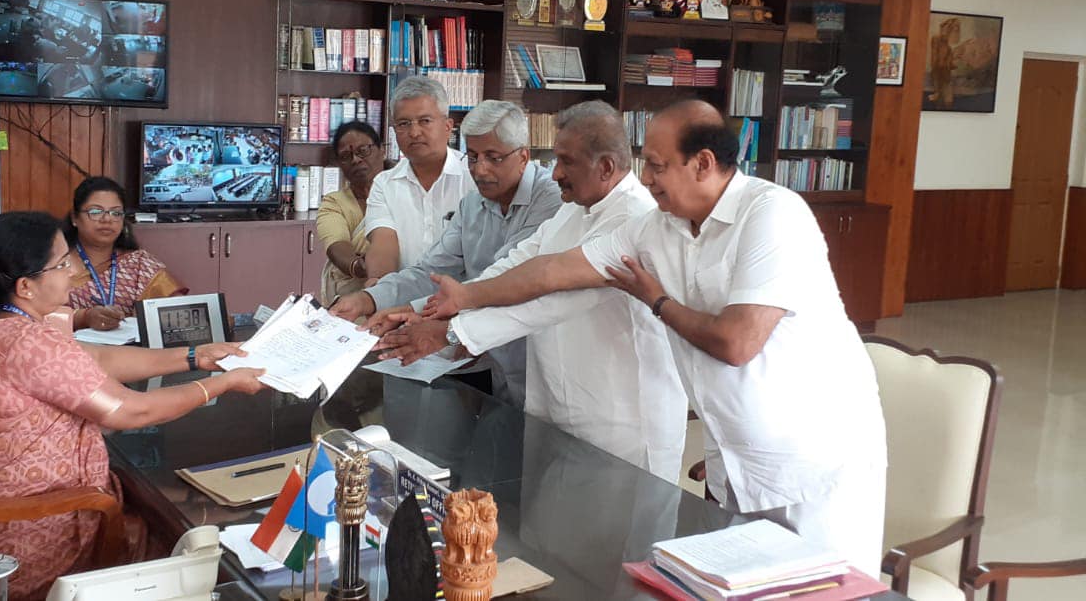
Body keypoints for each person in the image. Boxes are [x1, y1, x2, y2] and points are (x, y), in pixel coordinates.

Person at [420, 100, 887, 576]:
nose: (645, 179)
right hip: (735, 454)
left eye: (658, 166)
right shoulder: (657, 226)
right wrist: (466, 296)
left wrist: (658, 300)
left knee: (824, 587)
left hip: (814, 461)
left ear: (702, 163)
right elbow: (553, 270)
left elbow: (736, 343)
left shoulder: (773, 214)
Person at [0, 212, 265, 600]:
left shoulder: (5, 322)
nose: (71, 271)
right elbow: (131, 411)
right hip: (15, 535)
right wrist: (222, 384)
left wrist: (194, 356)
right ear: (25, 286)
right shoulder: (25, 343)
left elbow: (99, 359)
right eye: (61, 263)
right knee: (181, 535)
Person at [375, 101, 687, 480]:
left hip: (620, 424)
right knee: (546, 532)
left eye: (566, 162)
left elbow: (553, 301)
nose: (555, 174)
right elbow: (521, 262)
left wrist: (453, 330)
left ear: (604, 166)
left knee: (608, 535)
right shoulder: (577, 208)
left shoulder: (635, 219)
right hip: (556, 408)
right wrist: (447, 305)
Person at [330, 100, 565, 404]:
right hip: (494, 362)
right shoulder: (473, 204)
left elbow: (504, 276)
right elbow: (432, 272)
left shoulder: (551, 200)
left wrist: (411, 311)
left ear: (523, 156)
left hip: (544, 365)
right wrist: (368, 299)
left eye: (493, 158)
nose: (480, 169)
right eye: (473, 157)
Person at [362, 76, 477, 279]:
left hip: (465, 301)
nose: (414, 132)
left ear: (448, 126)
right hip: (402, 299)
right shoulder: (385, 184)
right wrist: (378, 290)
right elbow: (383, 246)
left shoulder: (474, 177)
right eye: (403, 124)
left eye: (425, 121)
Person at [64, 176, 187, 331]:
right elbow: (37, 317)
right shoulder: (54, 265)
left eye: (116, 213)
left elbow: (179, 310)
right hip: (69, 350)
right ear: (74, 218)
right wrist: (84, 317)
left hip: (130, 351)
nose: (107, 219)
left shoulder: (140, 264)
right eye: (95, 211)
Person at [316, 121, 386, 304]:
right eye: (346, 156)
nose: (355, 159)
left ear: (382, 150)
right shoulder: (334, 203)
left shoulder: (403, 192)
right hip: (352, 301)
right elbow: (336, 244)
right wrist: (360, 266)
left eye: (363, 150)